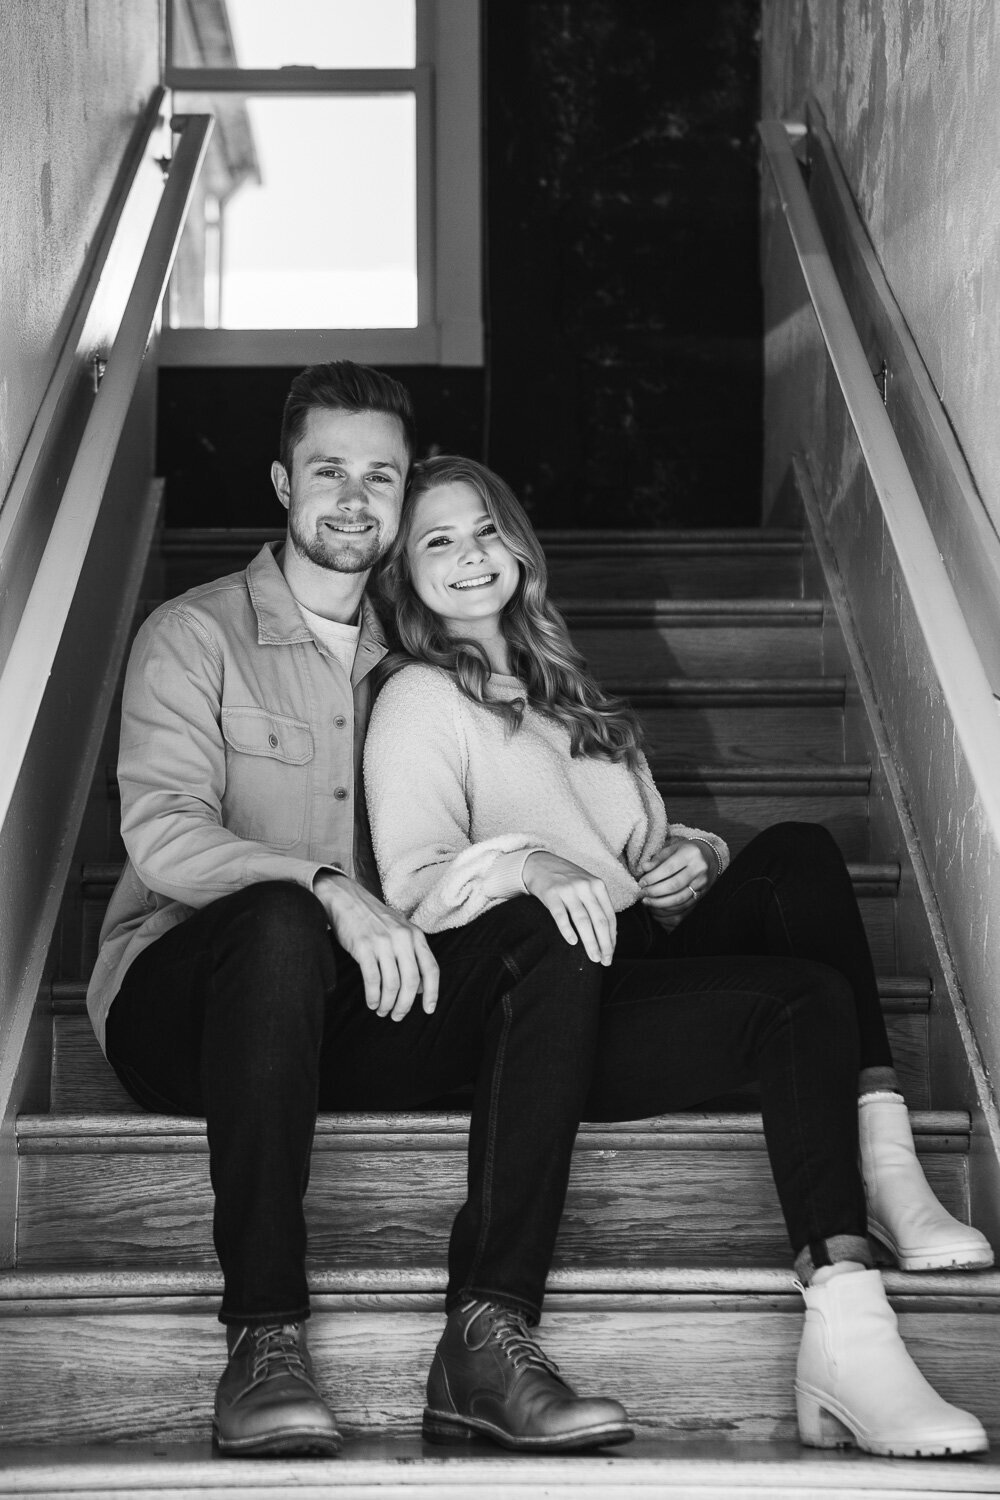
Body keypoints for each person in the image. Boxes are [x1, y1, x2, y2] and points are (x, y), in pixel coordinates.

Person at [364, 452, 993, 1459]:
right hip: (551, 1010)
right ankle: (848, 1328)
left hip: (633, 955)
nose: (470, 555)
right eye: (437, 540)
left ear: (517, 542)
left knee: (794, 858)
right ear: (402, 575)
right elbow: (415, 880)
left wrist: (686, 859)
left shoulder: (562, 685)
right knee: (799, 1001)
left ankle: (886, 1168)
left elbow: (636, 844)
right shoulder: (420, 701)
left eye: (485, 528)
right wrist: (528, 865)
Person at [88, 362, 635, 1457]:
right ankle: (261, 1342)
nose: (353, 497)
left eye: (378, 476)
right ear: (283, 481)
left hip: (347, 1015)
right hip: (184, 1007)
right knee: (283, 923)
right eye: (328, 470)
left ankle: (487, 1333)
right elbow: (162, 837)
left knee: (540, 933)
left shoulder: (417, 664)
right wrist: (327, 888)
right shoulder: (194, 634)